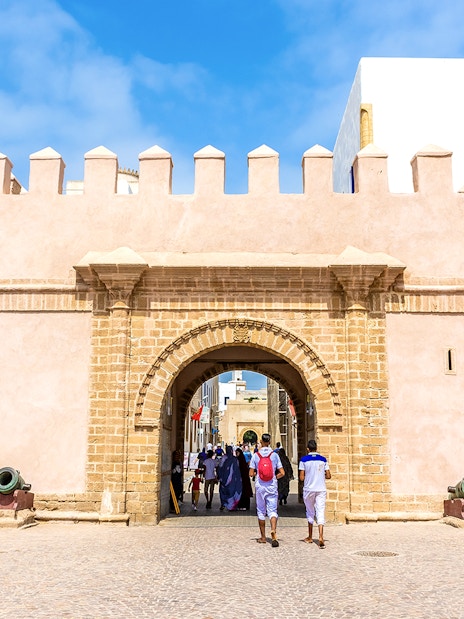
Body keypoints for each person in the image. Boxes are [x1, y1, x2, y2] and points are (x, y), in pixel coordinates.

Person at [249, 433, 285, 547]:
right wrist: (274, 477)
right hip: (272, 485)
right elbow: (282, 473)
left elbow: (250, 473)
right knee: (273, 510)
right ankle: (273, 530)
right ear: (269, 441)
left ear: (261, 441)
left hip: (260, 485)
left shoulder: (256, 455)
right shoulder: (274, 455)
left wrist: (257, 474)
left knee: (261, 510)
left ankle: (263, 537)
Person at [298, 439, 331, 549]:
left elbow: (301, 477)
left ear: (308, 449)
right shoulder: (323, 460)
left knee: (310, 511)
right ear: (316, 448)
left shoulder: (304, 460)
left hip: (309, 489)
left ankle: (310, 536)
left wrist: (309, 476)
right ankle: (321, 536)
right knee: (320, 511)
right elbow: (329, 475)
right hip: (321, 488)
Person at [217, 445, 242, 511]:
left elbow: (220, 467)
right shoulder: (235, 459)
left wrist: (219, 476)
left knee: (223, 492)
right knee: (232, 491)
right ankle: (232, 505)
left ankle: (224, 504)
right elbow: (238, 469)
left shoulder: (224, 458)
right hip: (233, 480)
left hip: (224, 479)